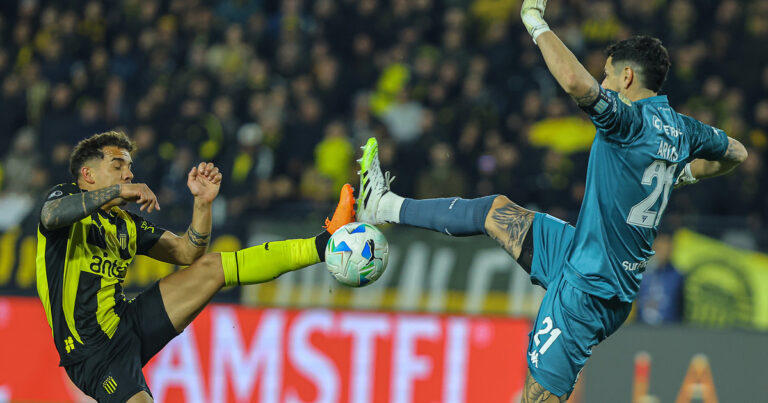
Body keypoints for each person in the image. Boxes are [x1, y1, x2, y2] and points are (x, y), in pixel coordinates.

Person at [355, 1, 748, 401]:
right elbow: (736, 153)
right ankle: (383, 206)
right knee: (495, 211)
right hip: (583, 254)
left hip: (589, 292)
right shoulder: (682, 128)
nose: (604, 82)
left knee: (537, 396)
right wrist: (680, 173)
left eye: (608, 74)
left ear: (627, 76)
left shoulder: (629, 121)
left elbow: (577, 85)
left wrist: (534, 21)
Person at [36, 131, 355, 402]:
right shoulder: (64, 198)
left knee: (212, 267)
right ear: (88, 176)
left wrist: (202, 204)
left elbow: (188, 251)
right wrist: (119, 190)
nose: (129, 175)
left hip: (127, 322)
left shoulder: (126, 224)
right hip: (92, 354)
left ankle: (324, 243)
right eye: (118, 166)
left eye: (129, 168)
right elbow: (50, 216)